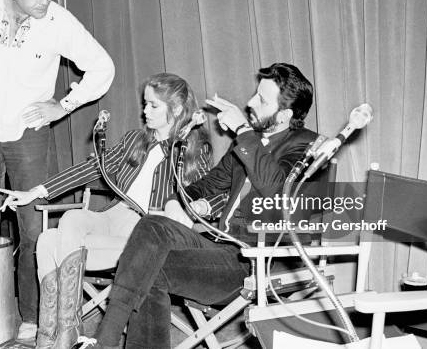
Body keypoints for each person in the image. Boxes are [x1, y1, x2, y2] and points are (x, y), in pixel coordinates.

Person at [75, 63, 318, 349]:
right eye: (255, 94)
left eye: (262, 100)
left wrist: (242, 130)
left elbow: (276, 188)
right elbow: (208, 183)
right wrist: (180, 201)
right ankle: (103, 341)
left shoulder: (305, 146)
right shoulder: (247, 143)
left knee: (149, 268)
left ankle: (102, 342)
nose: (250, 102)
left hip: (253, 260)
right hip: (220, 246)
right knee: (152, 227)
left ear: (285, 114)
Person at [0, 0, 115, 339]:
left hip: (28, 136)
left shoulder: (58, 21)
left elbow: (103, 66)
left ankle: (29, 317)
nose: (46, 0)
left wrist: (63, 105)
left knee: (32, 230)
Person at [0, 73, 213, 348]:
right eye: (145, 103)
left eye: (153, 106)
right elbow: (92, 167)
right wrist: (37, 191)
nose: (144, 110)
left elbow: (208, 194)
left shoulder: (192, 152)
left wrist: (193, 201)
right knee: (71, 217)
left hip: (148, 234)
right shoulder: (136, 140)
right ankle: (65, 332)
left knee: (49, 240)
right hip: (115, 217)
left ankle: (53, 336)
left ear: (178, 110)